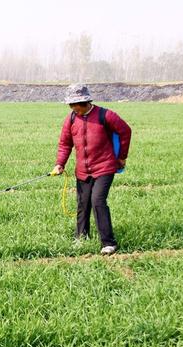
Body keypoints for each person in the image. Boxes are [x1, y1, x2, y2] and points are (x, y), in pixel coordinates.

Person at [51, 84, 132, 255]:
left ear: (85, 101)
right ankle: (81, 237)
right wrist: (60, 163)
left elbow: (125, 130)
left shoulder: (105, 115)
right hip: (82, 170)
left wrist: (122, 156)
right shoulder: (71, 119)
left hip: (104, 167)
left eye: (76, 105)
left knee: (98, 201)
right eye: (71, 105)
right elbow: (65, 144)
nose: (73, 108)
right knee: (83, 203)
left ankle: (108, 243)